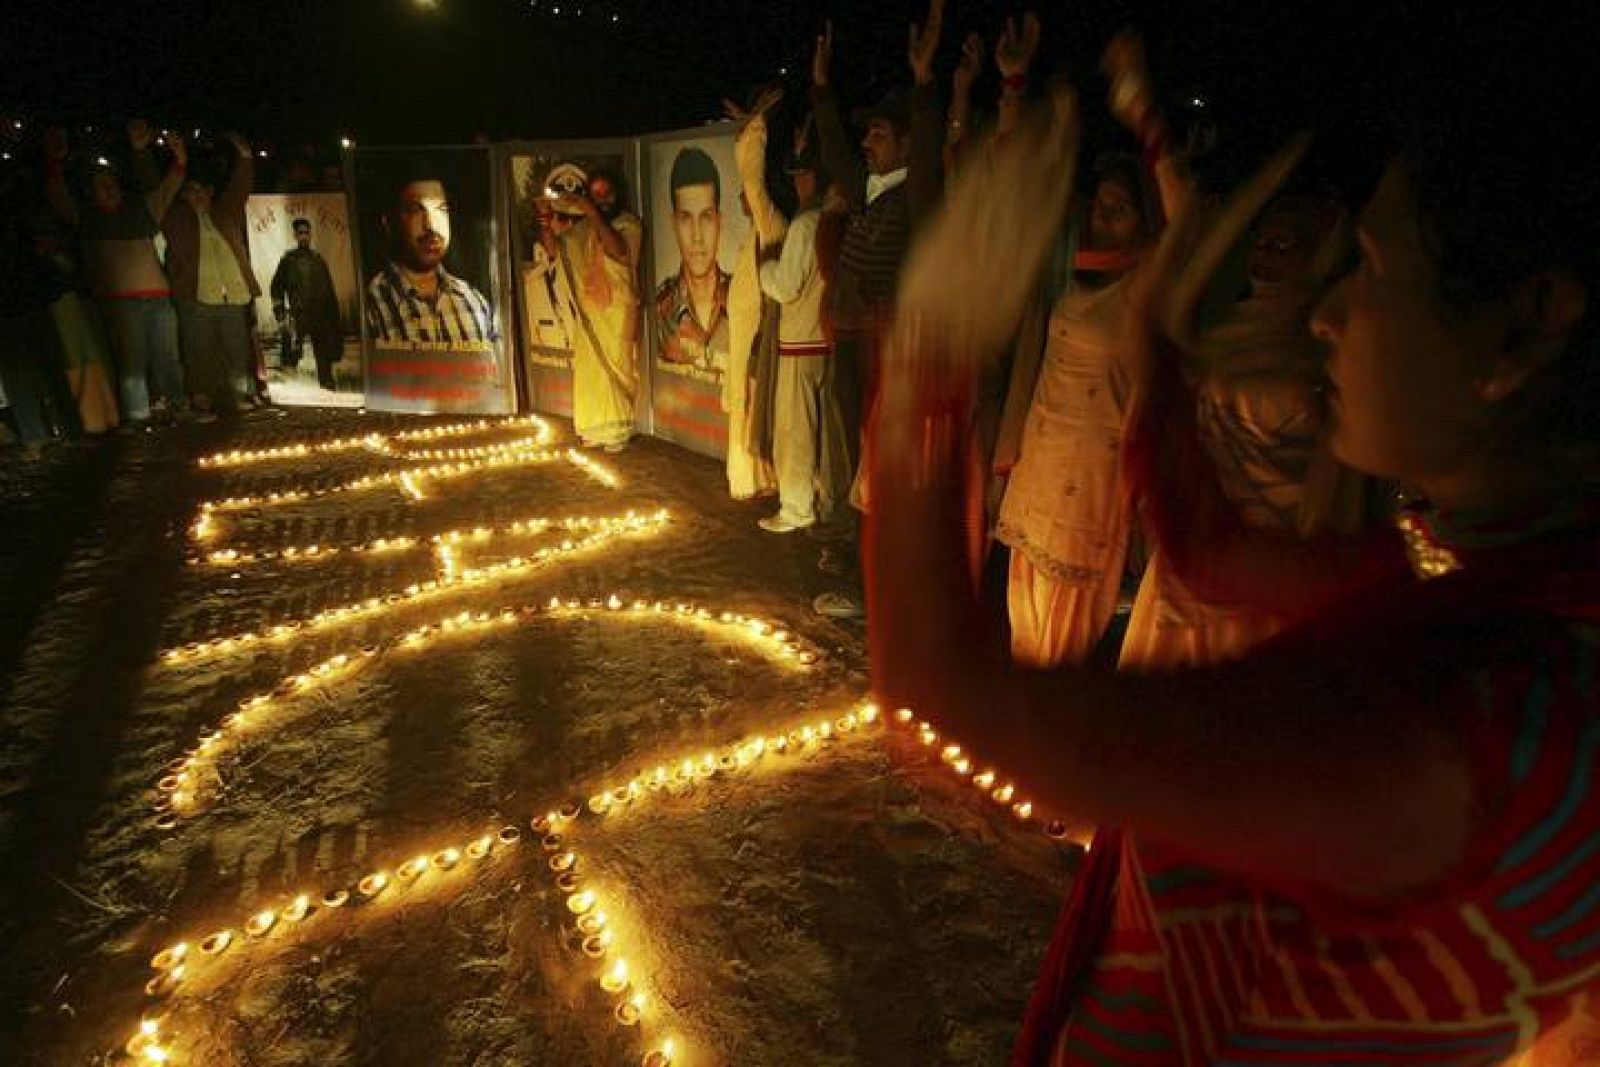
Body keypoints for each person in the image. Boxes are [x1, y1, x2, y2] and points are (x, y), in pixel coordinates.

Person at [867, 33, 1600, 1065]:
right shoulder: (1491, 610)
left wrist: (927, 354)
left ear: (1521, 330)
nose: (1334, 310)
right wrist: (1155, 331)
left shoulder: (1466, 717)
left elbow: (949, 686)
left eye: (1375, 267)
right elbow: (1206, 542)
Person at [993, 34, 1176, 668]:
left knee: (1065, 639)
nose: (1103, 219)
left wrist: (1138, 107)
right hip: (1041, 468)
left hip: (1091, 486)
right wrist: (1016, 92)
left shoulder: (1146, 289)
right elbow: (1018, 191)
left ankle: (1048, 743)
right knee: (1023, 618)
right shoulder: (1075, 273)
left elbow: (1185, 220)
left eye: (1120, 211)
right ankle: (1022, 736)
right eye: (1099, 207)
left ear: (1145, 223)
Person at [44, 120, 188, 428]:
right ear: (91, 193)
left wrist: (179, 159)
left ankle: (178, 407)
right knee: (132, 364)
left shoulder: (142, 210)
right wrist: (55, 162)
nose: (110, 190)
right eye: (102, 186)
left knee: (168, 359)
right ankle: (138, 416)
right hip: (119, 301)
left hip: (157, 297)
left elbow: (168, 187)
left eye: (113, 184)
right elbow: (58, 197)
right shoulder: (86, 218)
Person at [754, 119, 834, 533]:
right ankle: (817, 502)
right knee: (822, 435)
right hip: (825, 342)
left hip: (800, 341)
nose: (797, 183)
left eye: (801, 174)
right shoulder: (836, 218)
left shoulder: (806, 226)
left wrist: (765, 268)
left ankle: (797, 508)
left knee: (797, 432)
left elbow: (785, 286)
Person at [540, 166, 643, 452]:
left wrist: (591, 212)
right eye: (595, 195)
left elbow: (617, 250)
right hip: (590, 314)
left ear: (617, 194)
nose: (602, 200)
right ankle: (595, 428)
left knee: (616, 367)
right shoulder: (584, 229)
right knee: (590, 371)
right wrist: (545, 223)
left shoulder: (628, 224)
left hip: (618, 311)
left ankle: (618, 429)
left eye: (606, 193)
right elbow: (554, 250)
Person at [158, 132, 257, 416]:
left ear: (211, 192)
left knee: (237, 349)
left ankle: (241, 395)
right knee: (197, 350)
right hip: (195, 296)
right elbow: (158, 192)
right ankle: (201, 397)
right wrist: (175, 161)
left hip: (232, 296)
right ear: (185, 195)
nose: (198, 195)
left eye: (203, 190)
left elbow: (240, 187)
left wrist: (245, 157)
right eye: (192, 191)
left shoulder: (225, 211)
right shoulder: (176, 218)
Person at [365, 172, 496, 344]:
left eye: (442, 210)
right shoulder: (371, 303)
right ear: (389, 222)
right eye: (416, 210)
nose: (431, 225)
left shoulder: (473, 300)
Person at [652, 146, 731, 375]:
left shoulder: (743, 297)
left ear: (719, 221)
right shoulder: (658, 308)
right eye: (686, 218)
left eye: (706, 217)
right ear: (674, 224)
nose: (697, 236)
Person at [270, 217, 343, 391]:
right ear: (295, 235)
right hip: (298, 313)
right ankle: (289, 389)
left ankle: (327, 386)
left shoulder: (318, 260)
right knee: (291, 353)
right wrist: (280, 310)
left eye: (307, 232)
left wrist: (334, 317)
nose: (304, 236)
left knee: (323, 352)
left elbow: (329, 291)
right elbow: (276, 286)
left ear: (310, 235)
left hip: (319, 314)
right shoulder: (288, 260)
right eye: (300, 232)